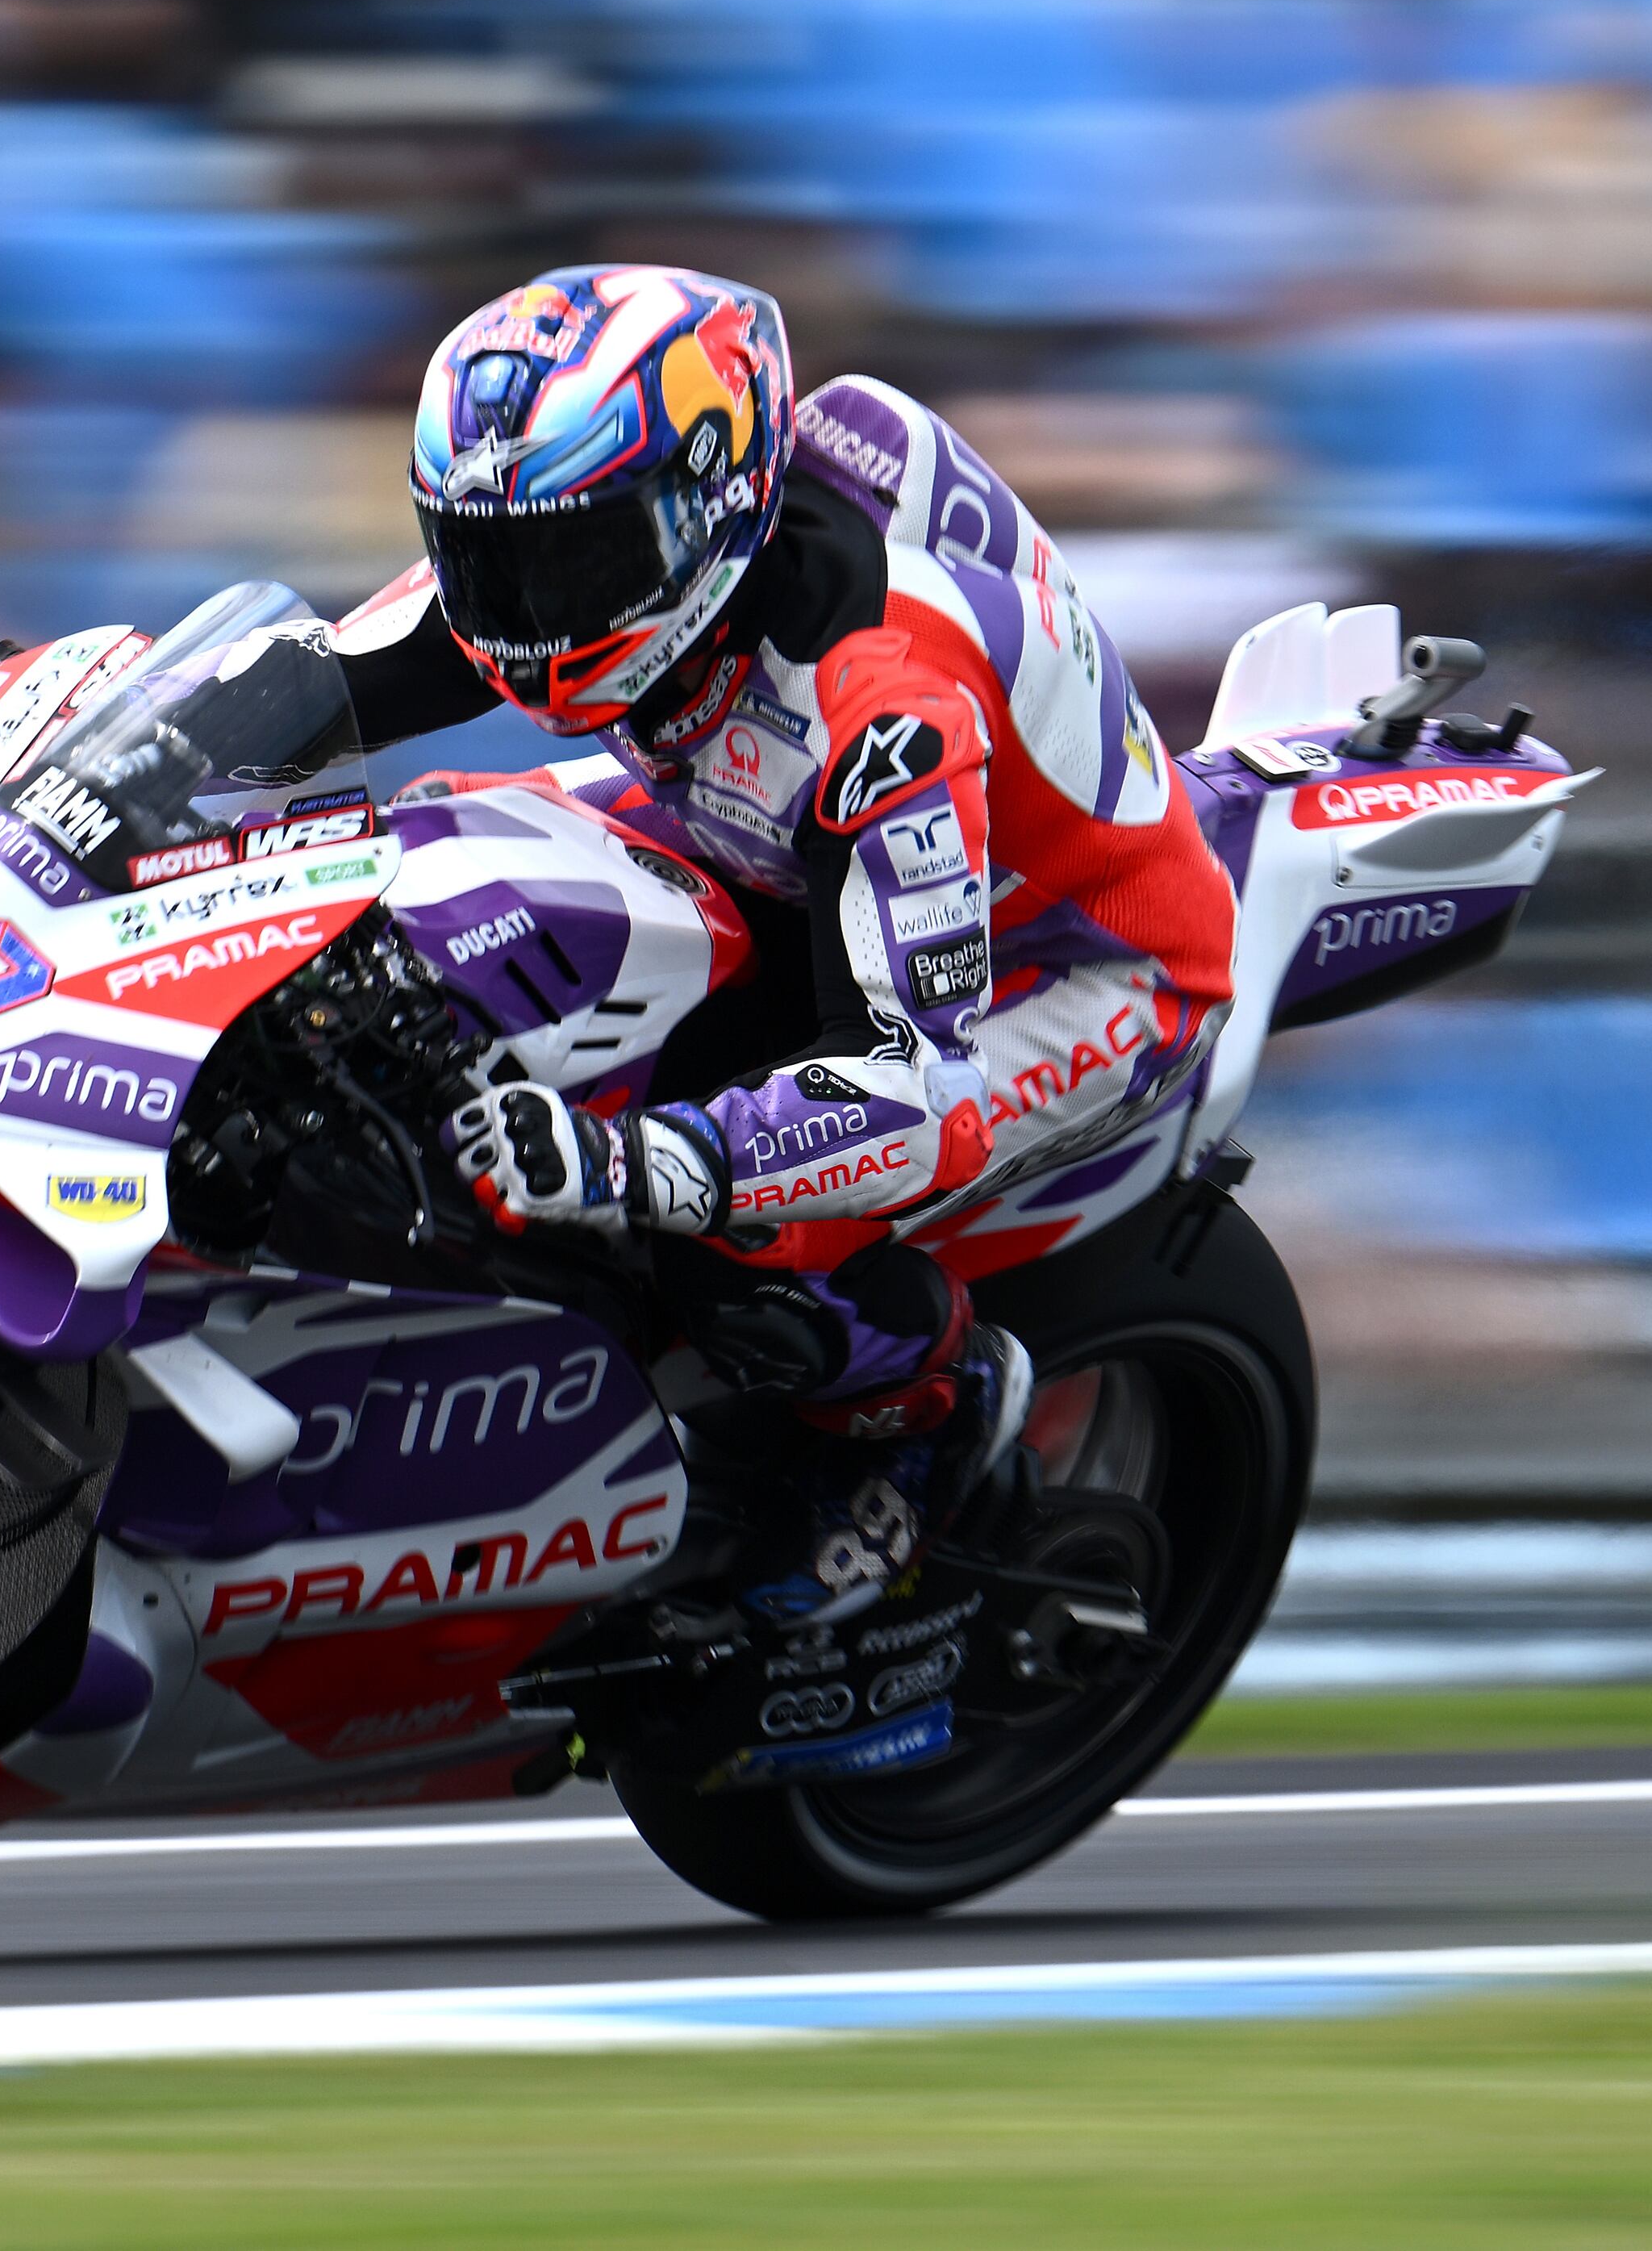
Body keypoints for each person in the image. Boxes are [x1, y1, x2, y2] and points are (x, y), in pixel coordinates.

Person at [353, 265, 1239, 1649]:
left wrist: (636, 1166)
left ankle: (933, 1421)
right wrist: (98, 739)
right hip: (777, 838)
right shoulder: (605, 553)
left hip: (1068, 965)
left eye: (566, 560)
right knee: (442, 917)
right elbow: (331, 674)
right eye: (484, 556)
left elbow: (906, 1092)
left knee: (724, 1226)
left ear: (706, 512)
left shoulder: (881, 707)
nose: (519, 612)